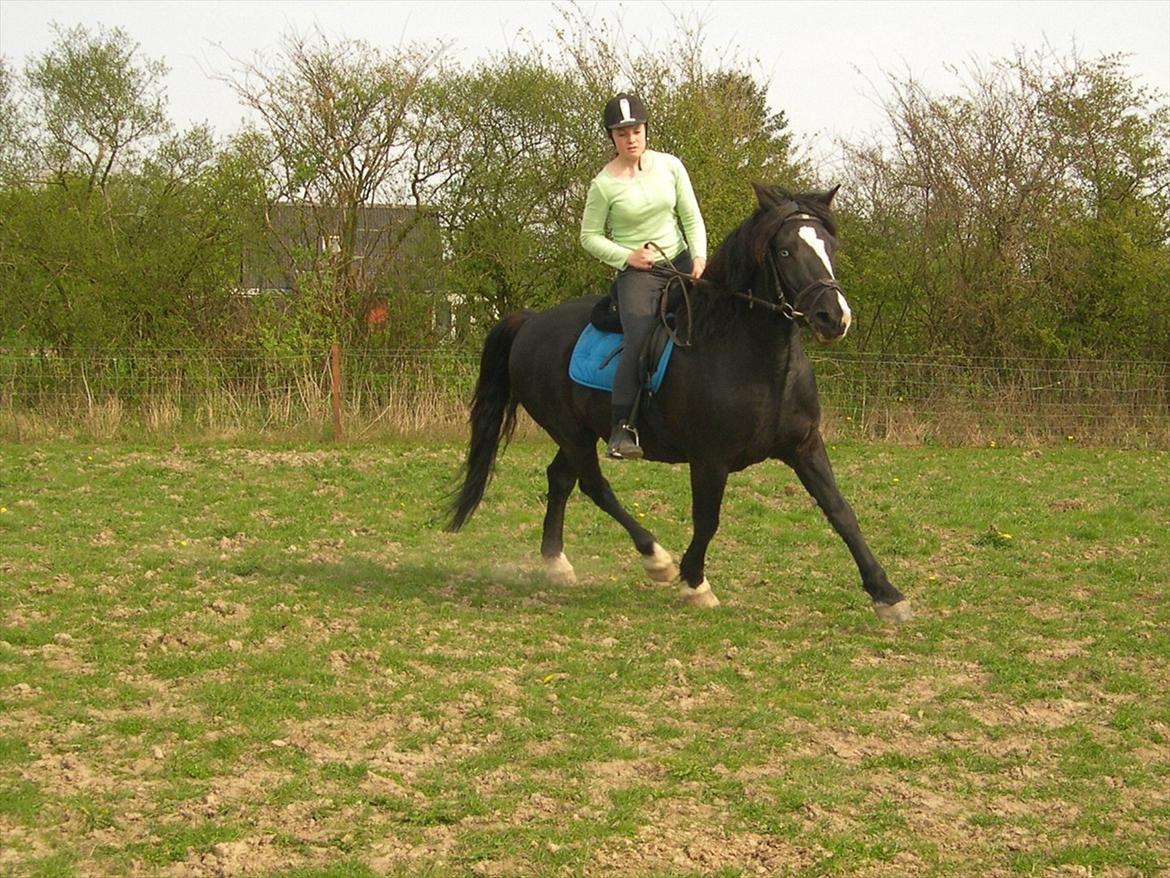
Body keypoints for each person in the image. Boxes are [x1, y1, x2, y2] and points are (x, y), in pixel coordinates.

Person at [580, 93, 708, 460]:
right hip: (639, 274)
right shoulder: (603, 184)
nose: (631, 138)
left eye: (636, 130)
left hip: (680, 262)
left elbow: (691, 216)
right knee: (638, 338)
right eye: (622, 133)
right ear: (611, 138)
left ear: (646, 129)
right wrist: (628, 256)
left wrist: (698, 254)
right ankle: (623, 429)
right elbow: (589, 237)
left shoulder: (671, 167)